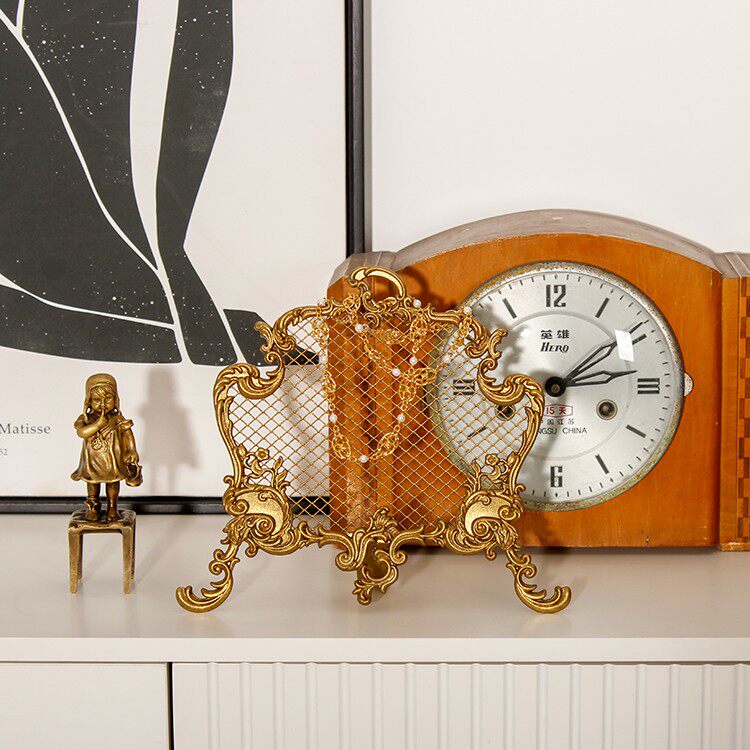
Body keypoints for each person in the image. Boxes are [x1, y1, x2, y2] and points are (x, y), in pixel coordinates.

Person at [71, 373, 143, 521]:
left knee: (113, 482)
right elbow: (81, 432)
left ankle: (112, 508)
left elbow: (127, 433)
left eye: (108, 399)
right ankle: (93, 507)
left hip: (112, 460)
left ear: (115, 400)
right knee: (92, 483)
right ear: (89, 401)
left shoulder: (117, 419)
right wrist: (98, 424)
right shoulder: (85, 419)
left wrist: (131, 450)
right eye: (97, 400)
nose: (103, 404)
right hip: (92, 461)